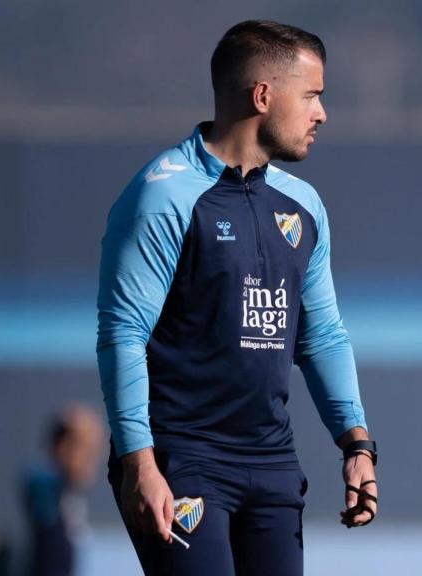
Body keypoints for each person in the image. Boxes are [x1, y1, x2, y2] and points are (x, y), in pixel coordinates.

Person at [96, 20, 378, 576]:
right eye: (313, 96)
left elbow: (320, 335)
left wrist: (357, 446)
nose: (321, 114)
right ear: (263, 95)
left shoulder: (304, 206)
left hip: (272, 462)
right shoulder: (164, 195)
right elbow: (122, 333)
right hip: (182, 459)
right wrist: (140, 464)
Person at [22, 405, 105, 576]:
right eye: (79, 448)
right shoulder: (42, 480)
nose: (85, 457)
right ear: (63, 446)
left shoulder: (68, 487)